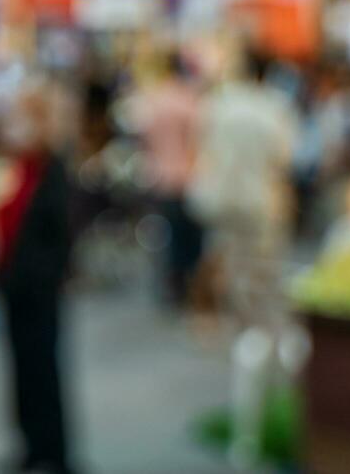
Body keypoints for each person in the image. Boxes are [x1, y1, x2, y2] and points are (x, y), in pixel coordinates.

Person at [188, 51, 300, 464]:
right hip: (262, 214)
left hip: (224, 212)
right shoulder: (273, 107)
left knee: (243, 308)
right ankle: (262, 418)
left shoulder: (218, 104)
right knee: (269, 313)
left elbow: (203, 151)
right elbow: (287, 158)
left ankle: (252, 417)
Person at [0, 81, 75, 474]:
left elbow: (57, 239)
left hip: (36, 290)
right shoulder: (23, 167)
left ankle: (52, 453)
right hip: (14, 287)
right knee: (22, 373)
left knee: (44, 372)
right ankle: (30, 446)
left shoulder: (52, 170)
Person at [132, 52, 203, 307]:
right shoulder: (188, 100)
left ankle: (171, 284)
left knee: (167, 234)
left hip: (159, 176)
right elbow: (198, 140)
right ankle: (186, 285)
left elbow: (142, 139)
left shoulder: (154, 100)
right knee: (187, 237)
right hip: (185, 177)